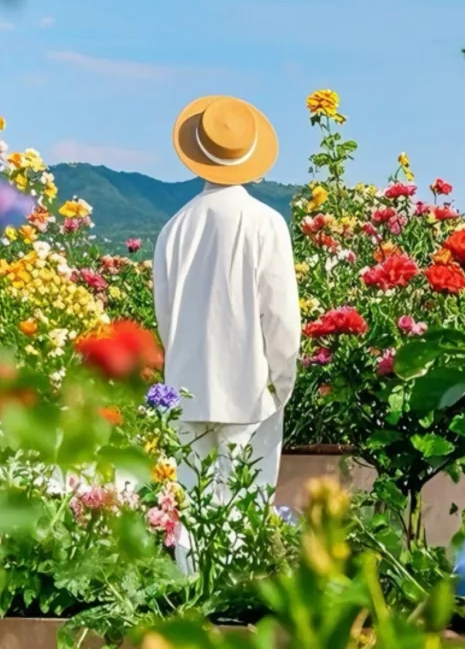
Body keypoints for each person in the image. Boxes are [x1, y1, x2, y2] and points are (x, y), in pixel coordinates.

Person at [152, 94, 301, 573]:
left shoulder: (173, 229)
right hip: (247, 390)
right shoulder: (266, 224)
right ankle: (232, 613)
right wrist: (281, 382)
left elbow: (165, 319)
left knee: (189, 516)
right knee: (241, 509)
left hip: (186, 388)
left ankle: (187, 608)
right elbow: (280, 318)